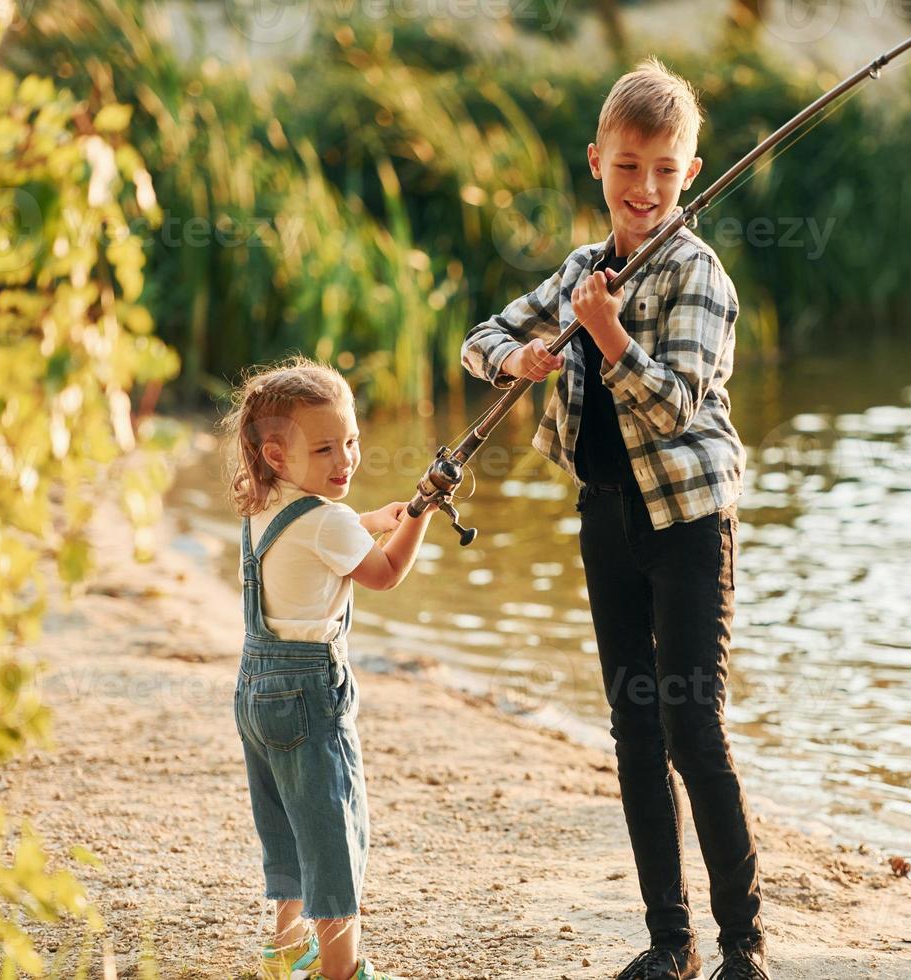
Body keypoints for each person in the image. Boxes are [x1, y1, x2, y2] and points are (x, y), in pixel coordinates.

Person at [461, 58, 769, 980]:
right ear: (598, 162)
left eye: (665, 171)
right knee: (634, 728)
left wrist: (608, 337)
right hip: (607, 518)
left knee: (691, 728)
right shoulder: (580, 271)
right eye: (629, 167)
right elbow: (481, 337)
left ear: (691, 173)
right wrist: (516, 362)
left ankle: (743, 944)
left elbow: (676, 405)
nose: (645, 189)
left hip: (687, 524)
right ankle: (668, 942)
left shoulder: (699, 277)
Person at [219, 356, 435, 980]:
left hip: (257, 689)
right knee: (334, 833)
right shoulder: (329, 520)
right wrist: (419, 514)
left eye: (351, 442)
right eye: (325, 449)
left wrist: (376, 521)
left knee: (286, 824)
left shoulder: (264, 507)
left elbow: (324, 542)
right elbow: (386, 573)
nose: (345, 461)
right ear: (280, 456)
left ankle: (286, 948)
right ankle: (341, 970)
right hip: (310, 696)